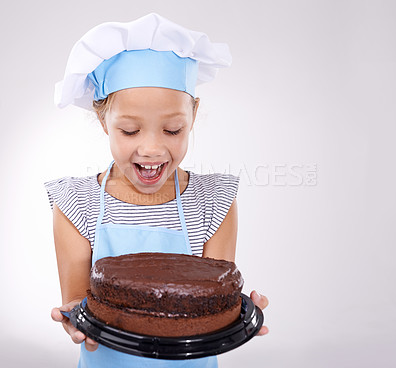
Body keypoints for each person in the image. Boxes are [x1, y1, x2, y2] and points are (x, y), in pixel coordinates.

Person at [45, 12, 269, 368]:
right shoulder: (76, 204)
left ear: (193, 116)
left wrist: (237, 314)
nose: (151, 149)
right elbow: (76, 301)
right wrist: (72, 320)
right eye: (131, 131)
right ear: (104, 120)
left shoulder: (214, 201)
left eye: (173, 130)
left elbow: (213, 295)